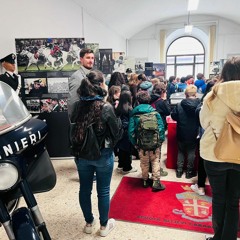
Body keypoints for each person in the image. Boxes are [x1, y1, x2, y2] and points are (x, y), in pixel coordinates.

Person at [71, 70, 122, 237]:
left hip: (82, 155)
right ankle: (103, 227)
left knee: (84, 189)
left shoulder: (78, 105)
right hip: (103, 154)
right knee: (104, 190)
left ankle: (88, 223)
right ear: (101, 85)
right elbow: (116, 134)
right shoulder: (106, 107)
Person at [199, 57, 240, 240]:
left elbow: (204, 122)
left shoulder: (213, 95)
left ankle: (218, 237)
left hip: (215, 152)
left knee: (219, 197)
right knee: (234, 200)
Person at [128, 91, 165, 192]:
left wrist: (135, 143)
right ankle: (156, 181)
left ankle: (145, 180)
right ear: (149, 100)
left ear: (138, 101)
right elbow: (161, 128)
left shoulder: (134, 114)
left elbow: (131, 131)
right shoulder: (155, 113)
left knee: (144, 162)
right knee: (155, 161)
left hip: (141, 144)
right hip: (155, 143)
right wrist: (160, 140)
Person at [191, 80, 216, 196]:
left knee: (203, 161)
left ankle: (201, 186)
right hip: (218, 137)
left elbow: (200, 121)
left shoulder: (203, 104)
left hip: (205, 136)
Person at [171, 85, 200, 179]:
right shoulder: (200, 105)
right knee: (192, 152)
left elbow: (174, 116)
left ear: (185, 94)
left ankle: (179, 171)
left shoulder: (179, 105)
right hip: (194, 132)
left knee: (181, 151)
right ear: (195, 94)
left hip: (181, 131)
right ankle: (189, 172)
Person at [68, 48, 95, 117]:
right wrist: (74, 124)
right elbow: (73, 103)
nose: (91, 60)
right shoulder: (77, 77)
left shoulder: (93, 75)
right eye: (88, 58)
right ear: (81, 59)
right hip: (82, 120)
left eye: (92, 58)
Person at [115, 90, 137, 174]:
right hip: (127, 133)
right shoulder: (130, 109)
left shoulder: (117, 108)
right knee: (128, 151)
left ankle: (120, 165)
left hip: (119, 132)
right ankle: (127, 167)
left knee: (121, 149)